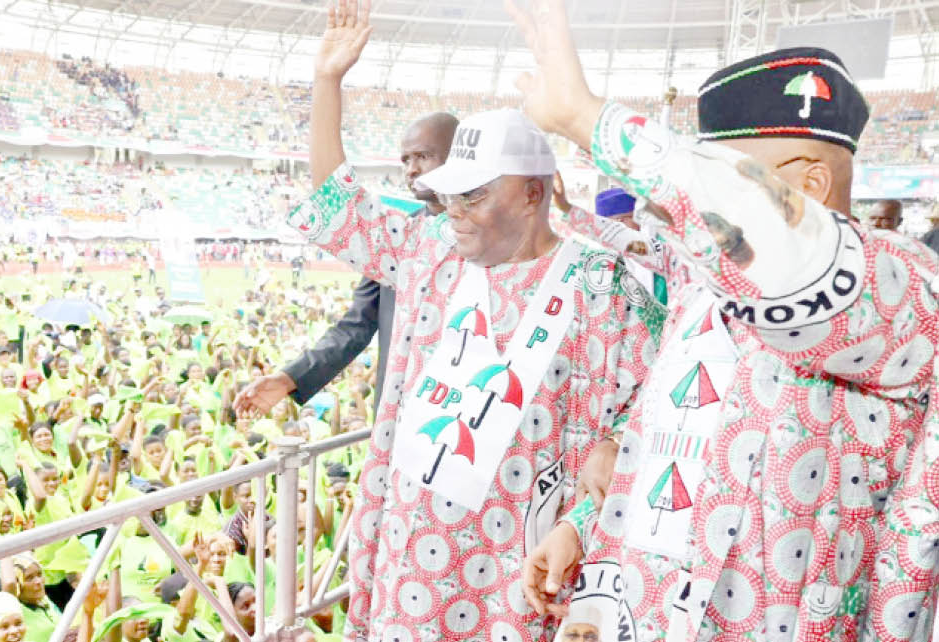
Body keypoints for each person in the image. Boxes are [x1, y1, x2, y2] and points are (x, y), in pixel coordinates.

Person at [506, 2, 939, 640]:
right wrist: (583, 524)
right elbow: (671, 442)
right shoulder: (703, 291)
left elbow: (801, 264)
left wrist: (584, 117)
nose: (695, 208)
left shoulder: (903, 289)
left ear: (810, 187)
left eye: (728, 176)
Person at [240, 3, 662, 641]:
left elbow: (630, 426)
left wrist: (578, 521)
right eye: (451, 193)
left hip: (518, 573)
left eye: (476, 195)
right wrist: (328, 82)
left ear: (533, 192)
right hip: (409, 556)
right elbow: (334, 201)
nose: (456, 211)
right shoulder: (428, 249)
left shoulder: (603, 286)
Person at [237, 110, 459, 416]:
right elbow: (356, 326)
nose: (411, 170)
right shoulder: (396, 239)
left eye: (422, 156)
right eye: (405, 160)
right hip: (400, 414)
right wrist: (290, 377)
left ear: (459, 156)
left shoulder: (492, 242)